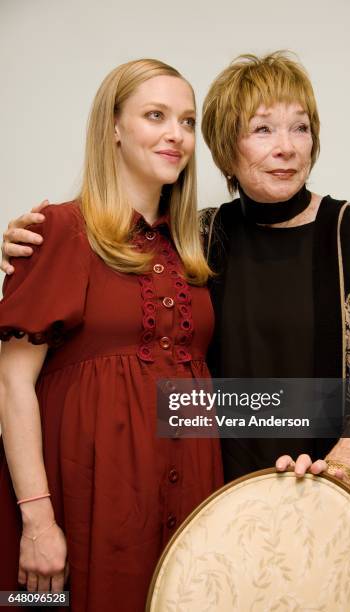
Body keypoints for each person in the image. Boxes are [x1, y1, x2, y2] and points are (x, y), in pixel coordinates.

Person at [3, 52, 350, 537]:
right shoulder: (196, 235)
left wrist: (336, 472)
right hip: (216, 506)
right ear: (222, 146)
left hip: (329, 500)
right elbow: (112, 261)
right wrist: (29, 241)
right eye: (262, 130)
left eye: (300, 129)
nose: (287, 148)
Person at [0, 58, 223, 611]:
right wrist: (37, 521)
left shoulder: (192, 251)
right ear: (114, 128)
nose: (177, 134)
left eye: (188, 121)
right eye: (156, 115)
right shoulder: (58, 229)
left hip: (187, 499)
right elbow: (10, 383)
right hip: (84, 506)